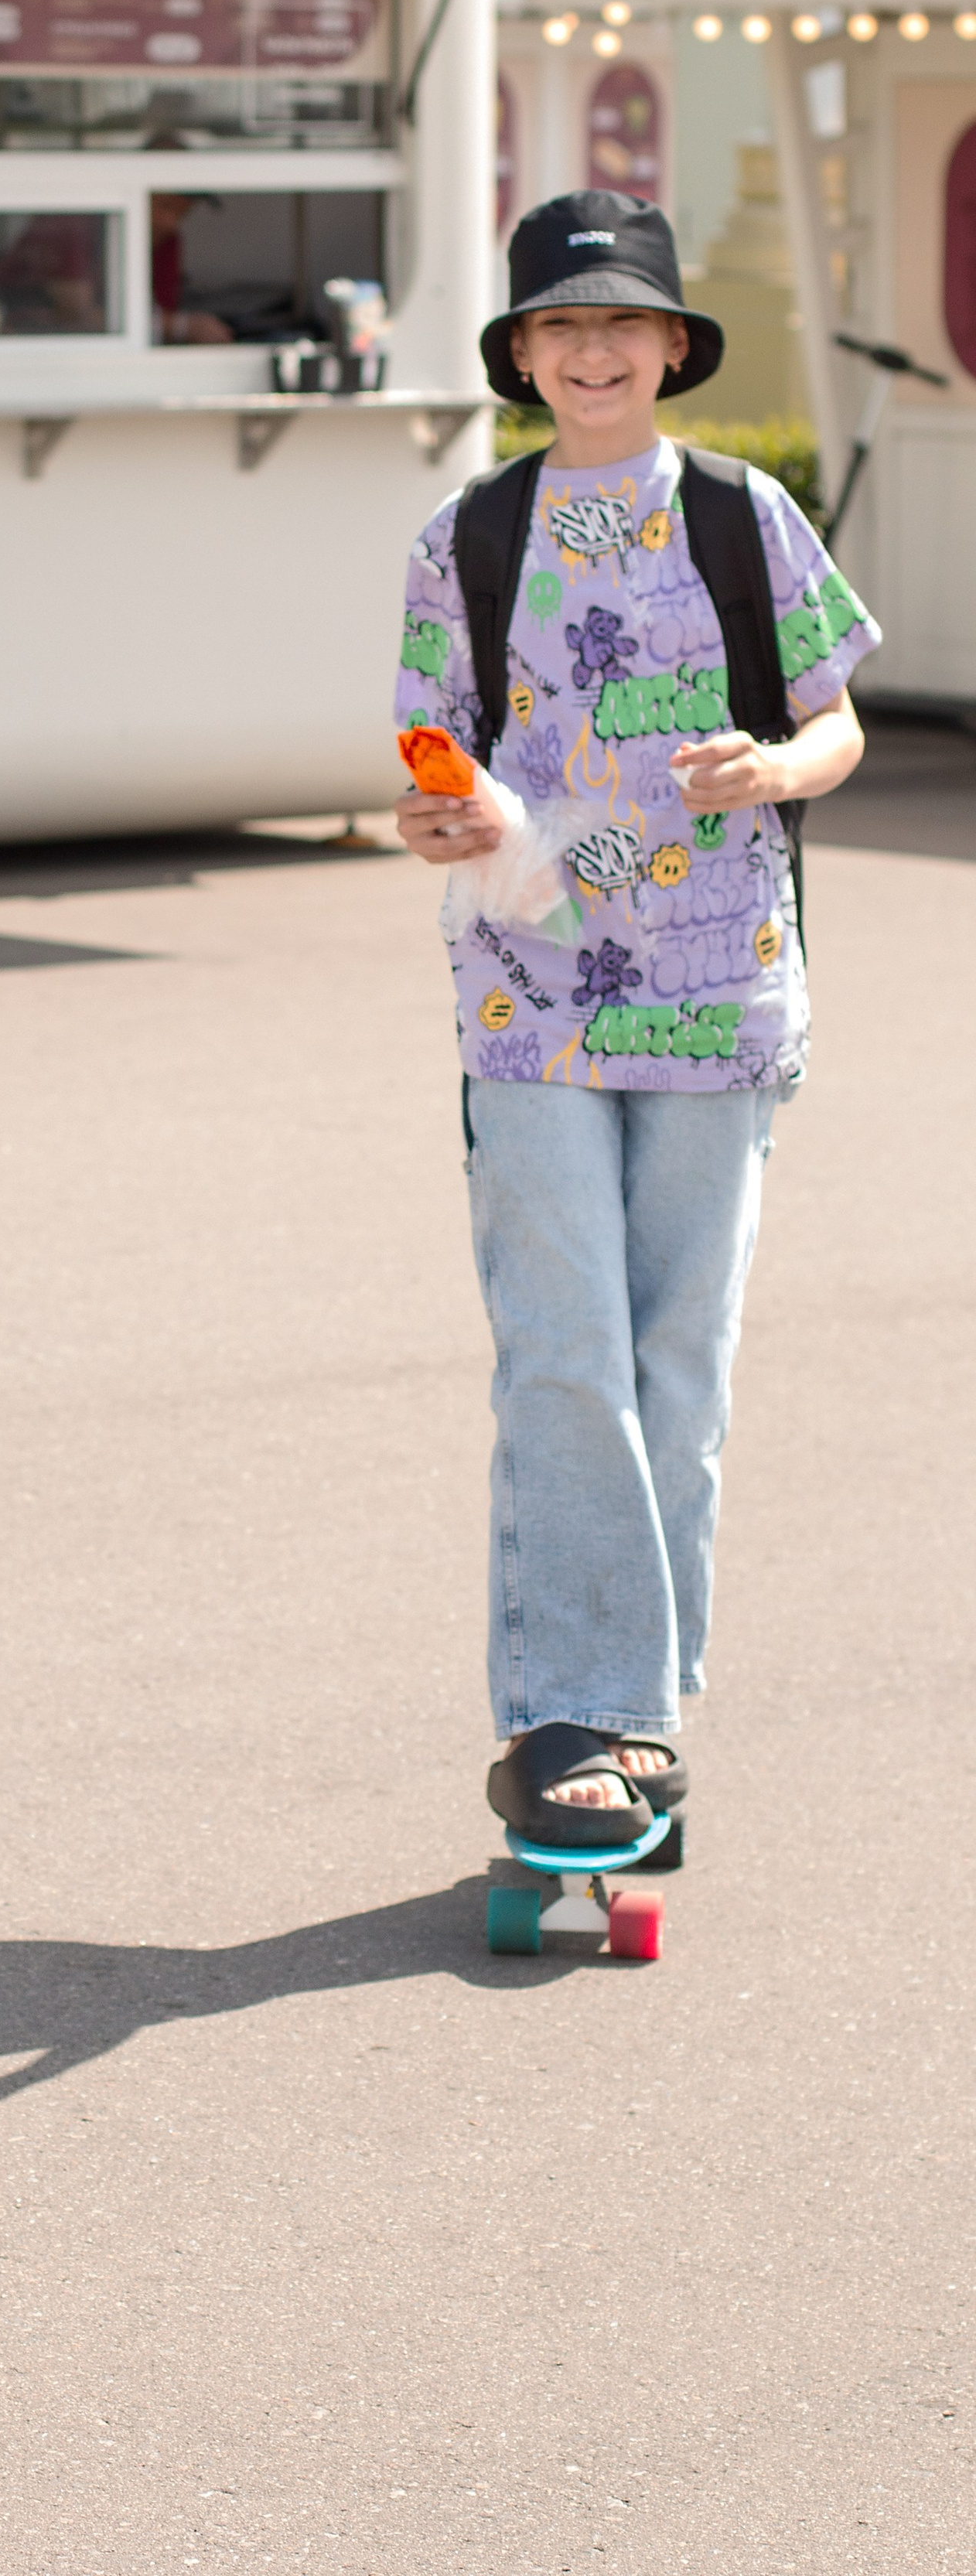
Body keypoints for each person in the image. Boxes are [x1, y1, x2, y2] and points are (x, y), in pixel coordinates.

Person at [394, 189, 878, 1844]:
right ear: (521, 357)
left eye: (618, 322)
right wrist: (442, 818)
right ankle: (567, 1725)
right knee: (564, 1356)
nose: (588, 348)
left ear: (669, 347)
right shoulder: (464, 536)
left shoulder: (743, 519)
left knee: (678, 1362)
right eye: (555, 324)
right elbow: (430, 761)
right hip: (525, 1002)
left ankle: (637, 1718)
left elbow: (834, 726)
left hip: (716, 987)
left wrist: (773, 762)